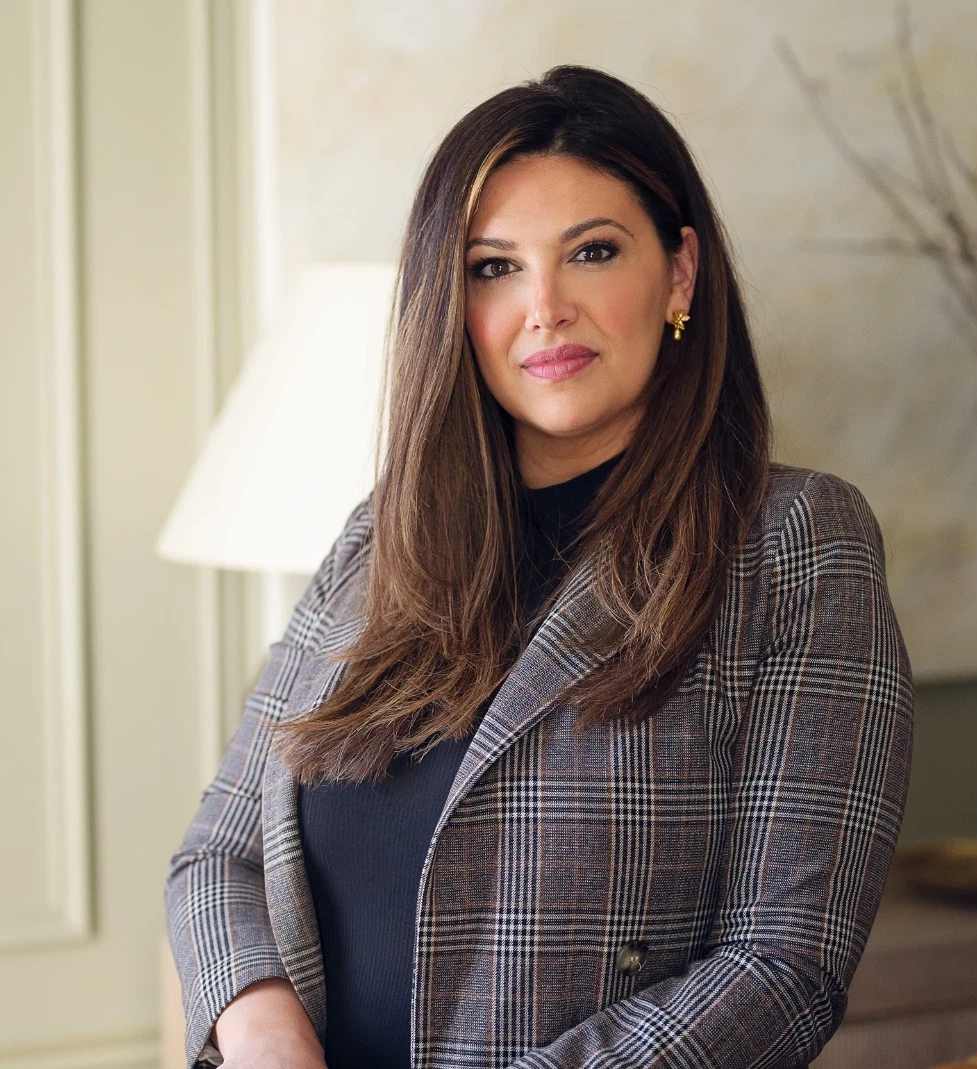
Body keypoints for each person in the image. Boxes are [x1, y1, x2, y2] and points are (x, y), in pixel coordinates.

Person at [165, 64, 914, 1069]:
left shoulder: (794, 541)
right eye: (492, 267)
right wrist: (262, 1031)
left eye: (591, 253)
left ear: (679, 273)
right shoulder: (378, 538)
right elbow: (220, 853)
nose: (544, 307)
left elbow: (783, 965)